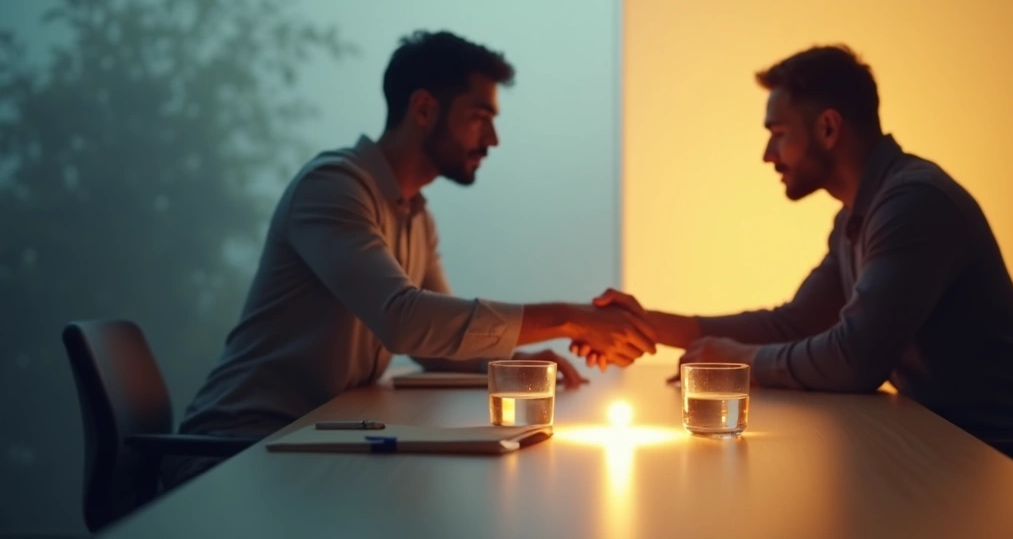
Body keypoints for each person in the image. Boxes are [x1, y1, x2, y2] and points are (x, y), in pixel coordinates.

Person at [583, 44, 1013, 498]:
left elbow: (855, 359)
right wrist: (648, 325)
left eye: (778, 134)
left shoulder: (913, 203)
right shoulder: (859, 216)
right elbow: (794, 323)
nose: (767, 154)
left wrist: (741, 362)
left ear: (828, 128)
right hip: (959, 458)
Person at [164, 30, 654, 489]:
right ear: (423, 109)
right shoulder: (333, 187)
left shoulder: (416, 214)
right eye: (479, 117)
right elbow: (405, 321)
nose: (493, 139)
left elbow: (433, 345)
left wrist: (510, 364)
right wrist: (569, 319)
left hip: (310, 442)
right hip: (232, 453)